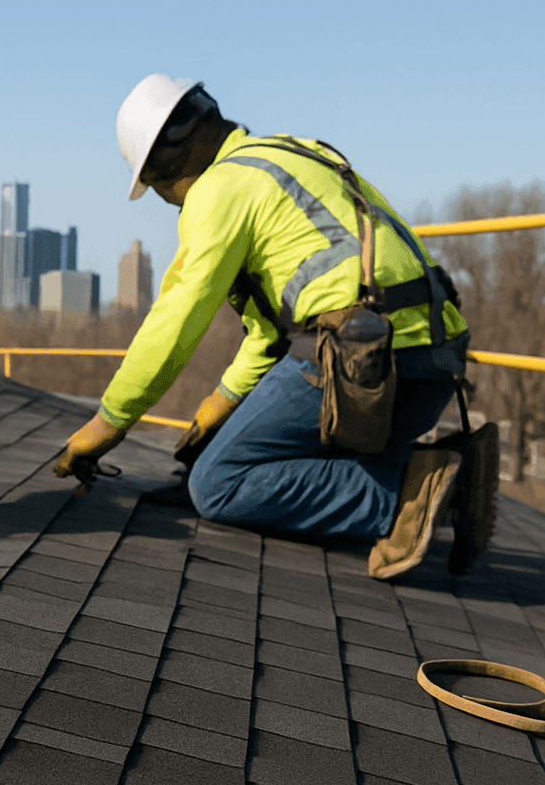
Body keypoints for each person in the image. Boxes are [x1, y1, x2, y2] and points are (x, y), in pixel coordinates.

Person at [54, 76, 498, 579]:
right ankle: (432, 482)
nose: (171, 202)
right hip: (436, 357)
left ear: (170, 156)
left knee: (218, 483)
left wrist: (108, 422)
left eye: (158, 186)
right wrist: (219, 406)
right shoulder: (294, 154)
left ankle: (404, 496)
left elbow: (176, 314)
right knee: (326, 469)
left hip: (357, 361)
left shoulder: (220, 187)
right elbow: (269, 333)